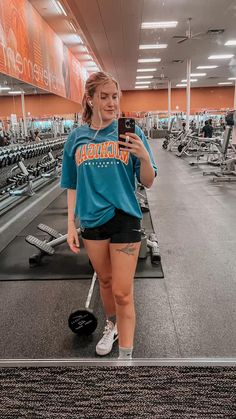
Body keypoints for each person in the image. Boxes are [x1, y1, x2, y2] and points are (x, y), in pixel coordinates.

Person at [60, 71, 157, 360]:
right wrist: (70, 225)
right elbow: (72, 184)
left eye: (115, 96)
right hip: (92, 221)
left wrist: (141, 155)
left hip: (125, 217)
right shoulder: (76, 138)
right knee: (105, 282)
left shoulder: (130, 133)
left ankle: (125, 360)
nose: (112, 103)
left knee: (123, 291)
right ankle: (111, 326)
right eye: (104, 97)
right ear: (90, 99)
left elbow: (149, 181)